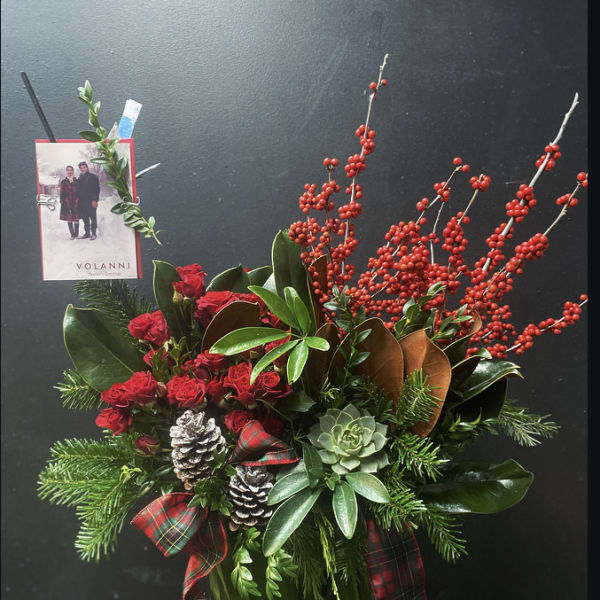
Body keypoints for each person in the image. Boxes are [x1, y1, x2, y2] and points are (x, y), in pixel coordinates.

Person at [77, 161, 100, 240]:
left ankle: (93, 233)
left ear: (87, 167)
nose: (82, 169)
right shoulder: (79, 178)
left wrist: (95, 200)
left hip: (91, 201)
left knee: (93, 218)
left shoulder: (93, 177)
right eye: (81, 168)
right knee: (85, 218)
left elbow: (96, 189)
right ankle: (87, 233)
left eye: (84, 167)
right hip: (82, 202)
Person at [59, 165, 79, 239]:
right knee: (69, 219)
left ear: (73, 171)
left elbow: (79, 192)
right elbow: (61, 193)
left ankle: (76, 234)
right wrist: (62, 202)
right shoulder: (63, 182)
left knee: (76, 219)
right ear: (66, 172)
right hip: (67, 202)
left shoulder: (77, 181)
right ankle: (72, 235)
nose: (69, 172)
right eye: (68, 170)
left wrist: (78, 200)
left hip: (76, 202)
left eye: (71, 170)